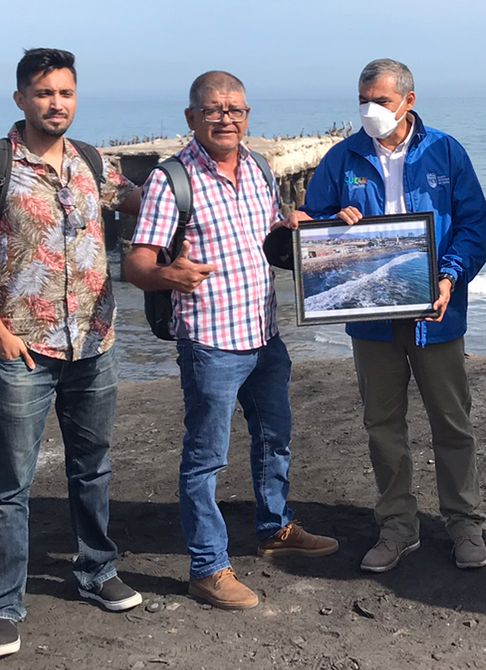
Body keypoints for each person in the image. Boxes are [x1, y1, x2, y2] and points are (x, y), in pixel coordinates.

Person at [0, 47, 144, 660]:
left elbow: (149, 204)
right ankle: (2, 604)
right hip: (22, 349)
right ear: (21, 99)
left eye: (66, 93)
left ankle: (96, 570)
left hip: (95, 343)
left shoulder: (93, 163)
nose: (56, 103)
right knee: (10, 484)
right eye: (44, 92)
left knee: (94, 467)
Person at [123, 71, 337, 612]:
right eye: (214, 110)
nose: (227, 119)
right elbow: (137, 262)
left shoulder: (261, 168)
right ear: (192, 117)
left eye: (237, 110)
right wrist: (170, 276)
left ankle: (274, 528)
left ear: (248, 115)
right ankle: (208, 567)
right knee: (206, 458)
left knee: (275, 438)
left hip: (264, 333)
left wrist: (298, 227)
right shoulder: (172, 180)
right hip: (210, 340)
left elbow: (267, 241)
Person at [299, 59, 486, 572]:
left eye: (381, 101)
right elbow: (309, 227)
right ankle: (397, 525)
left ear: (408, 100)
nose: (370, 111)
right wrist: (330, 222)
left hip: (437, 314)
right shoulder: (343, 157)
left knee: (452, 420)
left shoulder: (446, 152)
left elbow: (474, 223)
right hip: (371, 319)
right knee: (383, 424)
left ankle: (464, 522)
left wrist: (449, 276)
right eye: (363, 100)